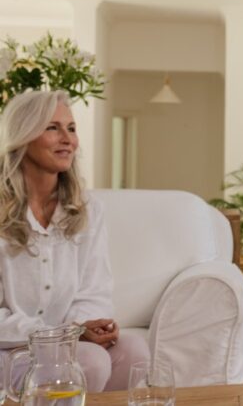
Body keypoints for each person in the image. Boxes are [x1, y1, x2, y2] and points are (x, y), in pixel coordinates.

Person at [0, 90, 149, 392]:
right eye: (52, 128)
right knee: (89, 361)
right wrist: (64, 335)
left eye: (71, 128)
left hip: (68, 343)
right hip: (10, 348)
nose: (67, 138)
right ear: (23, 135)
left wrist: (85, 329)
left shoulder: (88, 210)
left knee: (134, 352)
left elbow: (95, 291)